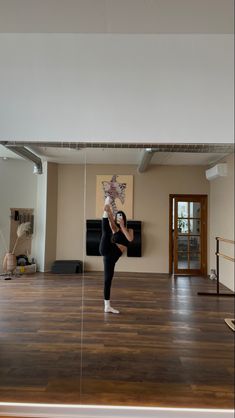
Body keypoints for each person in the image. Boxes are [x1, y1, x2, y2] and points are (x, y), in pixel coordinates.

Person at [99, 197, 134, 314]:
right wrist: (108, 212)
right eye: (117, 215)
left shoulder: (129, 230)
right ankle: (106, 204)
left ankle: (107, 306)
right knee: (106, 232)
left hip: (112, 257)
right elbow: (111, 222)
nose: (119, 217)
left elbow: (130, 239)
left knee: (107, 280)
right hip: (108, 249)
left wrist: (123, 226)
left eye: (121, 216)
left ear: (124, 218)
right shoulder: (115, 228)